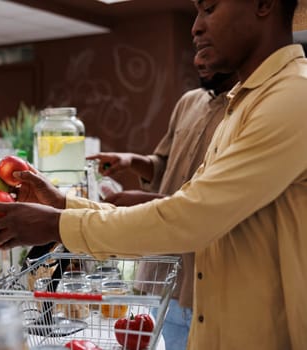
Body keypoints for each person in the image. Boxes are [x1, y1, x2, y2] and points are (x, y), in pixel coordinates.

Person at [0, 1, 307, 349]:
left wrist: (55, 224)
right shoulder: (241, 104)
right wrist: (65, 204)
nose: (195, 27)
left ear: (263, 4)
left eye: (209, 8)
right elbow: (189, 209)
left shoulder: (293, 97)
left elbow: (189, 218)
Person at [86, 56, 238, 350]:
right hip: (161, 274)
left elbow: (214, 204)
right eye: (196, 51)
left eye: (208, 51)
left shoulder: (245, 111)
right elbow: (164, 163)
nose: (198, 60)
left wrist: (143, 203)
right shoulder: (189, 102)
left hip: (203, 283)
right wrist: (132, 161)